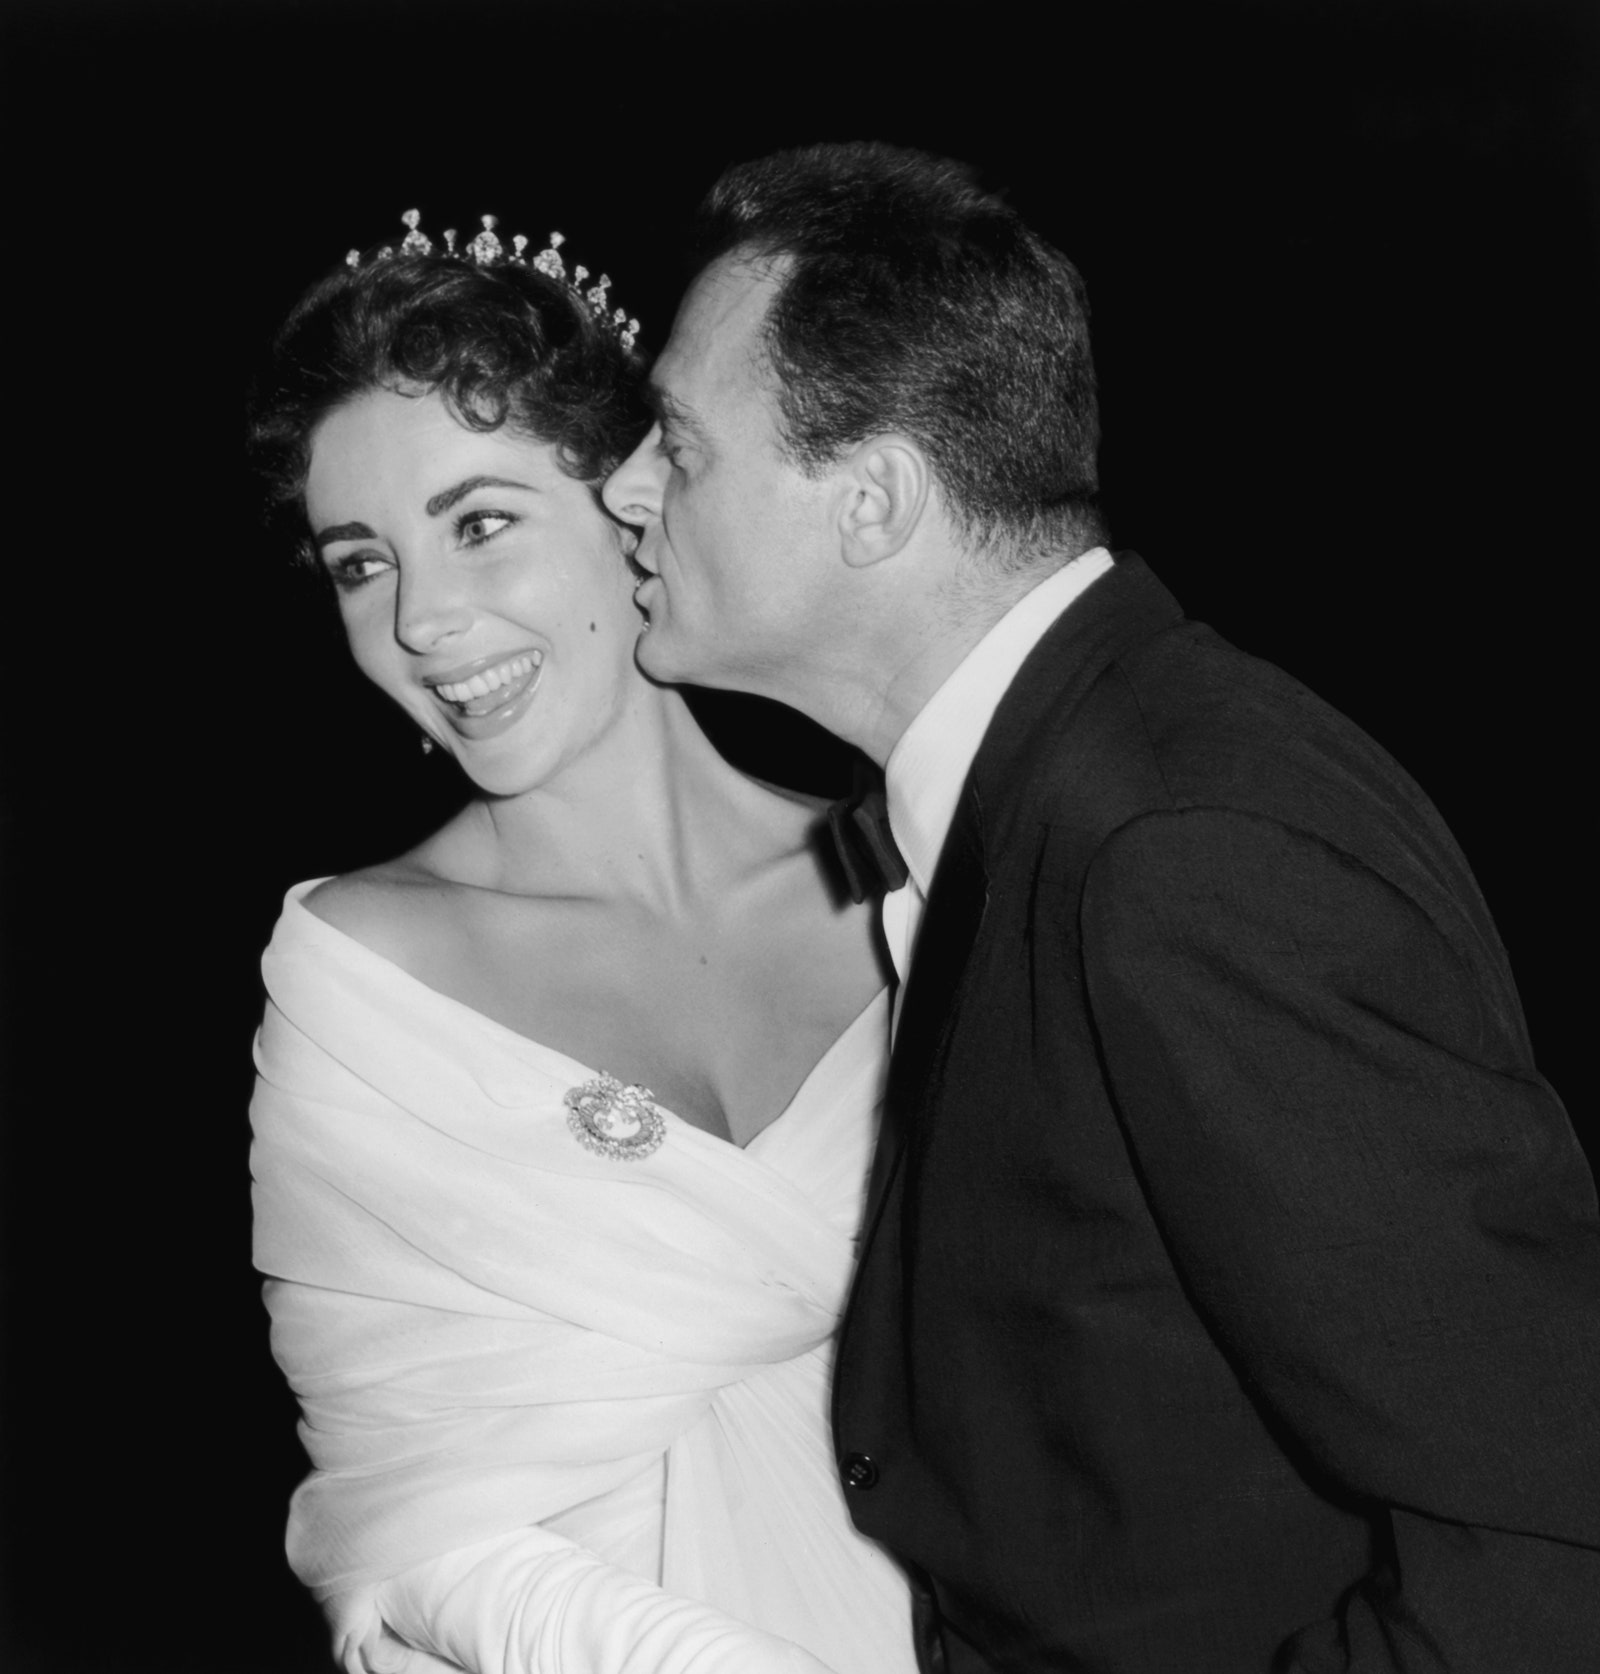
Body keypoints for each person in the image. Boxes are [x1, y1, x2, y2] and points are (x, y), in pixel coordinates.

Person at [600, 143, 1600, 1672]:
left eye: (676, 441)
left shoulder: (1185, 851)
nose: (623, 486)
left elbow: (1551, 1540)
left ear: (871, 499)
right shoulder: (1080, 771)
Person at [245, 212, 917, 1674]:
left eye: (478, 522)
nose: (424, 619)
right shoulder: (360, 984)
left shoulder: (914, 866)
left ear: (634, 499)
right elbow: (415, 1543)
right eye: (362, 563)